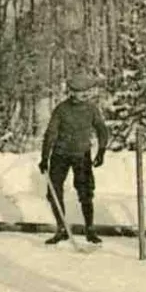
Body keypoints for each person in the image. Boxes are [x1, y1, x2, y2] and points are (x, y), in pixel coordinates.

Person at [39, 74, 110, 246]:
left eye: (86, 91)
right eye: (79, 91)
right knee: (54, 192)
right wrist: (45, 157)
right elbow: (51, 134)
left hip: (82, 155)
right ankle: (61, 229)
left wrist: (101, 151)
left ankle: (90, 230)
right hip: (60, 155)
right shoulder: (61, 109)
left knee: (85, 192)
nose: (84, 94)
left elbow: (101, 129)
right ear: (71, 92)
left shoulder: (92, 109)